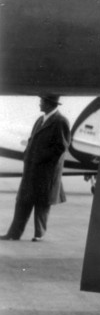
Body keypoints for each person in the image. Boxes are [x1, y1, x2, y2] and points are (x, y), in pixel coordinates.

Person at [1, 94, 70, 242]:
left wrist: (40, 158)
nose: (39, 104)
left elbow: (61, 147)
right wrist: (28, 155)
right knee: (22, 201)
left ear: (49, 104)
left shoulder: (60, 121)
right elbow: (32, 139)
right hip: (32, 169)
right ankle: (13, 234)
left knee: (42, 204)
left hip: (46, 172)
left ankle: (39, 235)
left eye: (41, 102)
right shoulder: (40, 119)